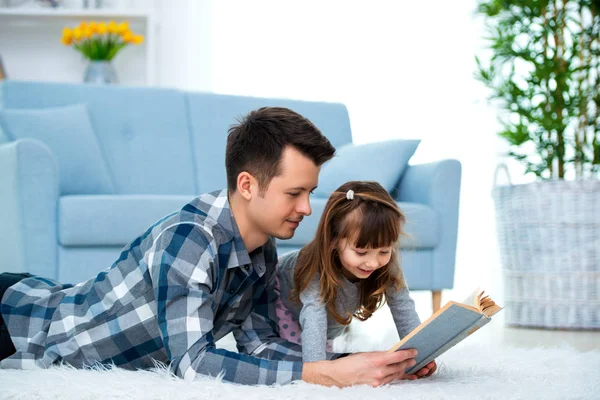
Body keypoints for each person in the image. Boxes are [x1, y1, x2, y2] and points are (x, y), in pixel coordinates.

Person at [0, 107, 421, 387]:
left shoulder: (262, 251)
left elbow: (258, 344)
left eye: (309, 193)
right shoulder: (189, 239)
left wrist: (361, 363)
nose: (308, 209)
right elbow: (194, 364)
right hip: (19, 321)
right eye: (295, 193)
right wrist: (325, 375)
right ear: (247, 184)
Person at [274, 181, 437, 376]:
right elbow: (314, 317)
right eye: (361, 252)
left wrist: (420, 356)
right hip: (277, 299)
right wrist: (319, 373)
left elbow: (403, 307)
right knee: (298, 360)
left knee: (325, 349)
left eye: (384, 251)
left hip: (326, 317)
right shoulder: (314, 267)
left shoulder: (386, 262)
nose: (373, 263)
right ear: (333, 240)